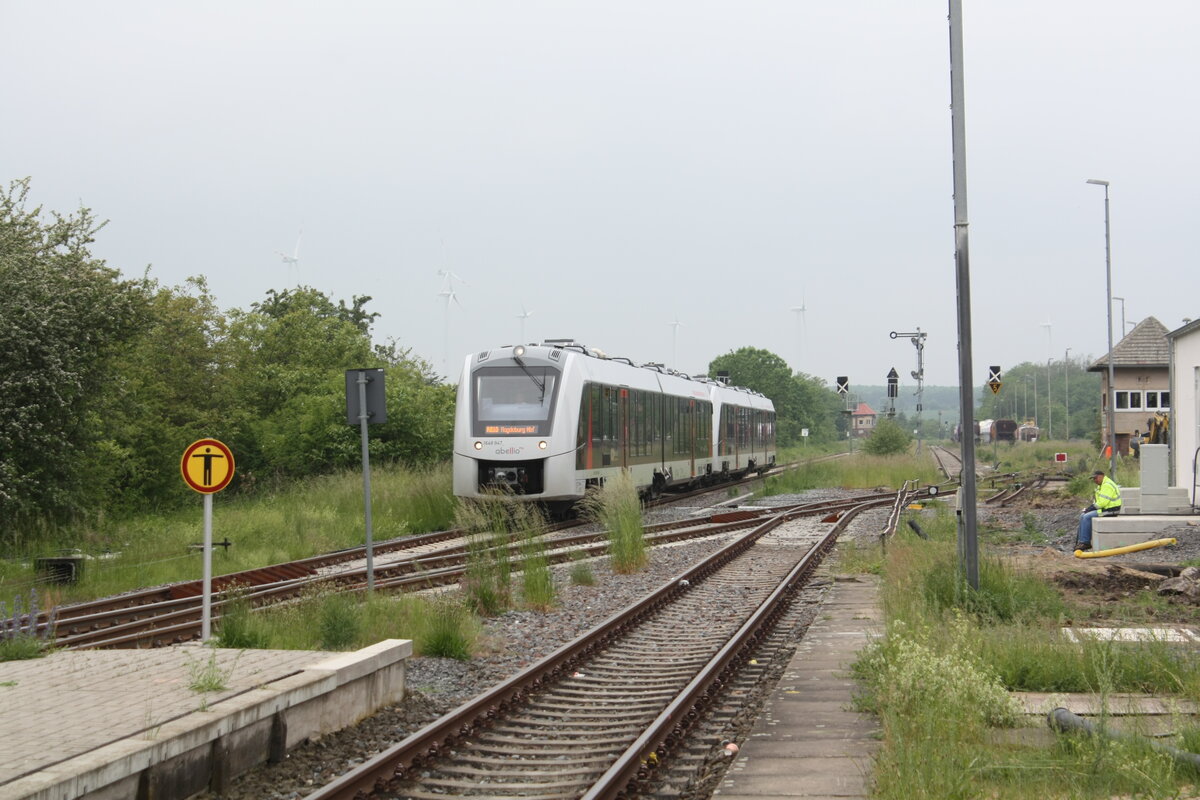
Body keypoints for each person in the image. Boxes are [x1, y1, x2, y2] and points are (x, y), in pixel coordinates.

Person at [1076, 469, 1122, 551]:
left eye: (1095, 478)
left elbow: (1102, 503)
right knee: (1083, 515)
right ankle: (1081, 542)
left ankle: (1085, 543)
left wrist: (1089, 509)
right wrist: (1088, 509)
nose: (1094, 480)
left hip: (1111, 511)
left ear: (1101, 476)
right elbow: (1098, 502)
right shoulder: (1101, 485)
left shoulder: (1107, 485)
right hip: (1105, 509)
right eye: (1093, 479)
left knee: (1087, 517)